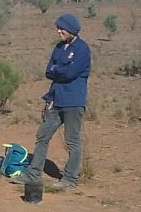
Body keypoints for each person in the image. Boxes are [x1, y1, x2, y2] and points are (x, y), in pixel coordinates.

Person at [19, 12, 91, 190]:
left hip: (73, 102)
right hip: (56, 99)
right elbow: (48, 71)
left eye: (62, 28)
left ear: (71, 30)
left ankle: (70, 178)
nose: (59, 31)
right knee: (42, 136)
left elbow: (70, 73)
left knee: (72, 141)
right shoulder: (59, 48)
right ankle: (33, 174)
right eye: (58, 28)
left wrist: (58, 70)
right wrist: (60, 70)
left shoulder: (82, 49)